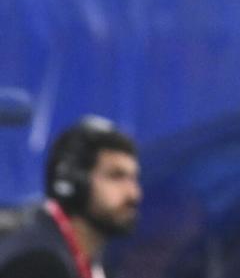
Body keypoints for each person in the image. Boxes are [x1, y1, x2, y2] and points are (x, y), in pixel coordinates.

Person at [0, 116, 141, 278]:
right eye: (116, 176)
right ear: (72, 183)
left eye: (134, 179)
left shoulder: (91, 261)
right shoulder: (35, 264)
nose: (134, 194)